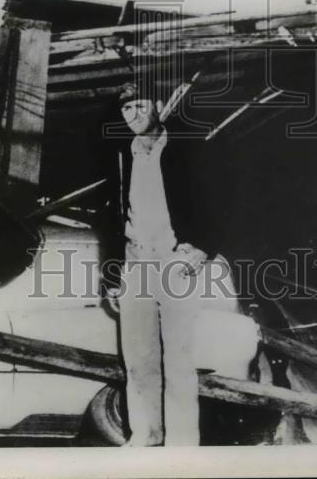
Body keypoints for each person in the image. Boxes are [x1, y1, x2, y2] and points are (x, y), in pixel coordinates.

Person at [104, 82, 226, 447]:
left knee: (178, 362)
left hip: (175, 263)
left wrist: (204, 246)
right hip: (135, 263)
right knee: (138, 360)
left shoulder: (188, 148)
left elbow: (226, 199)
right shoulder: (120, 154)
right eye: (127, 110)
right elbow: (108, 216)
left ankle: (183, 444)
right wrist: (113, 274)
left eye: (140, 106)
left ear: (159, 105)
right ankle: (146, 434)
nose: (134, 116)